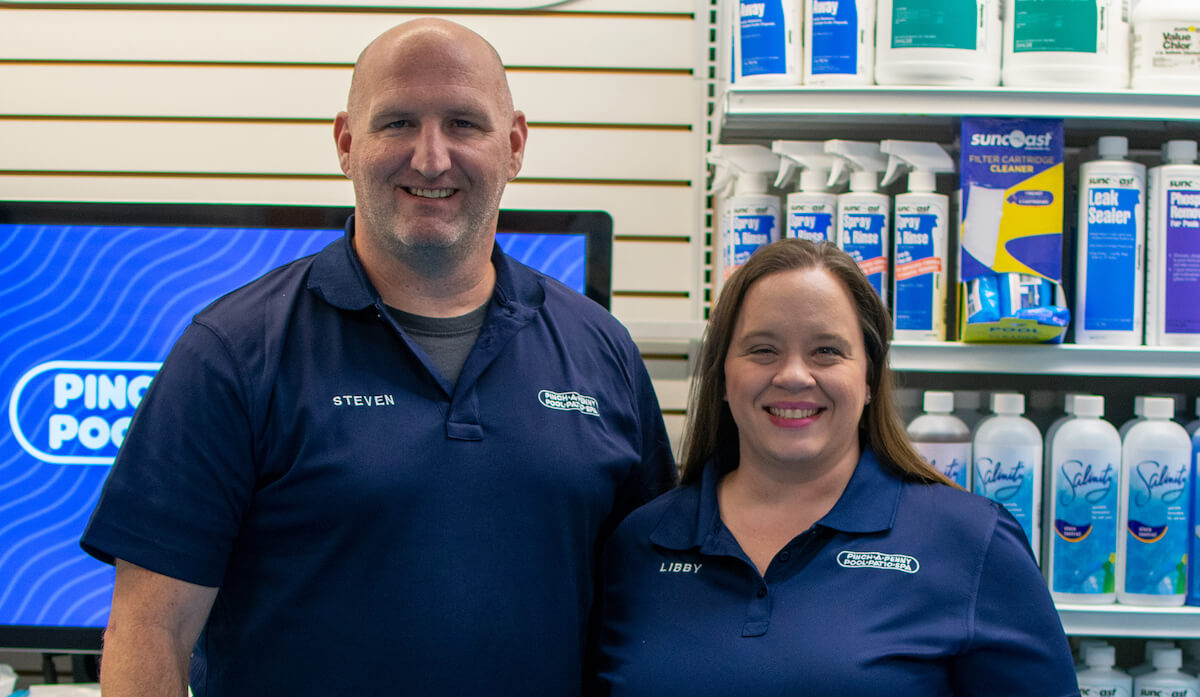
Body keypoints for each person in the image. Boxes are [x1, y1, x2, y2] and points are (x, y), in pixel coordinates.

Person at [81, 18, 676, 697]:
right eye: (396, 122)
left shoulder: (601, 350)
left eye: (463, 123)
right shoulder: (232, 353)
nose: (430, 157)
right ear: (345, 142)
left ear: (514, 145)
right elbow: (148, 630)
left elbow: (653, 606)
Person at [594, 239, 1079, 696]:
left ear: (869, 376)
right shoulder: (641, 542)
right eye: (763, 350)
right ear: (723, 374)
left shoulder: (971, 543)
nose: (793, 376)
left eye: (826, 351)